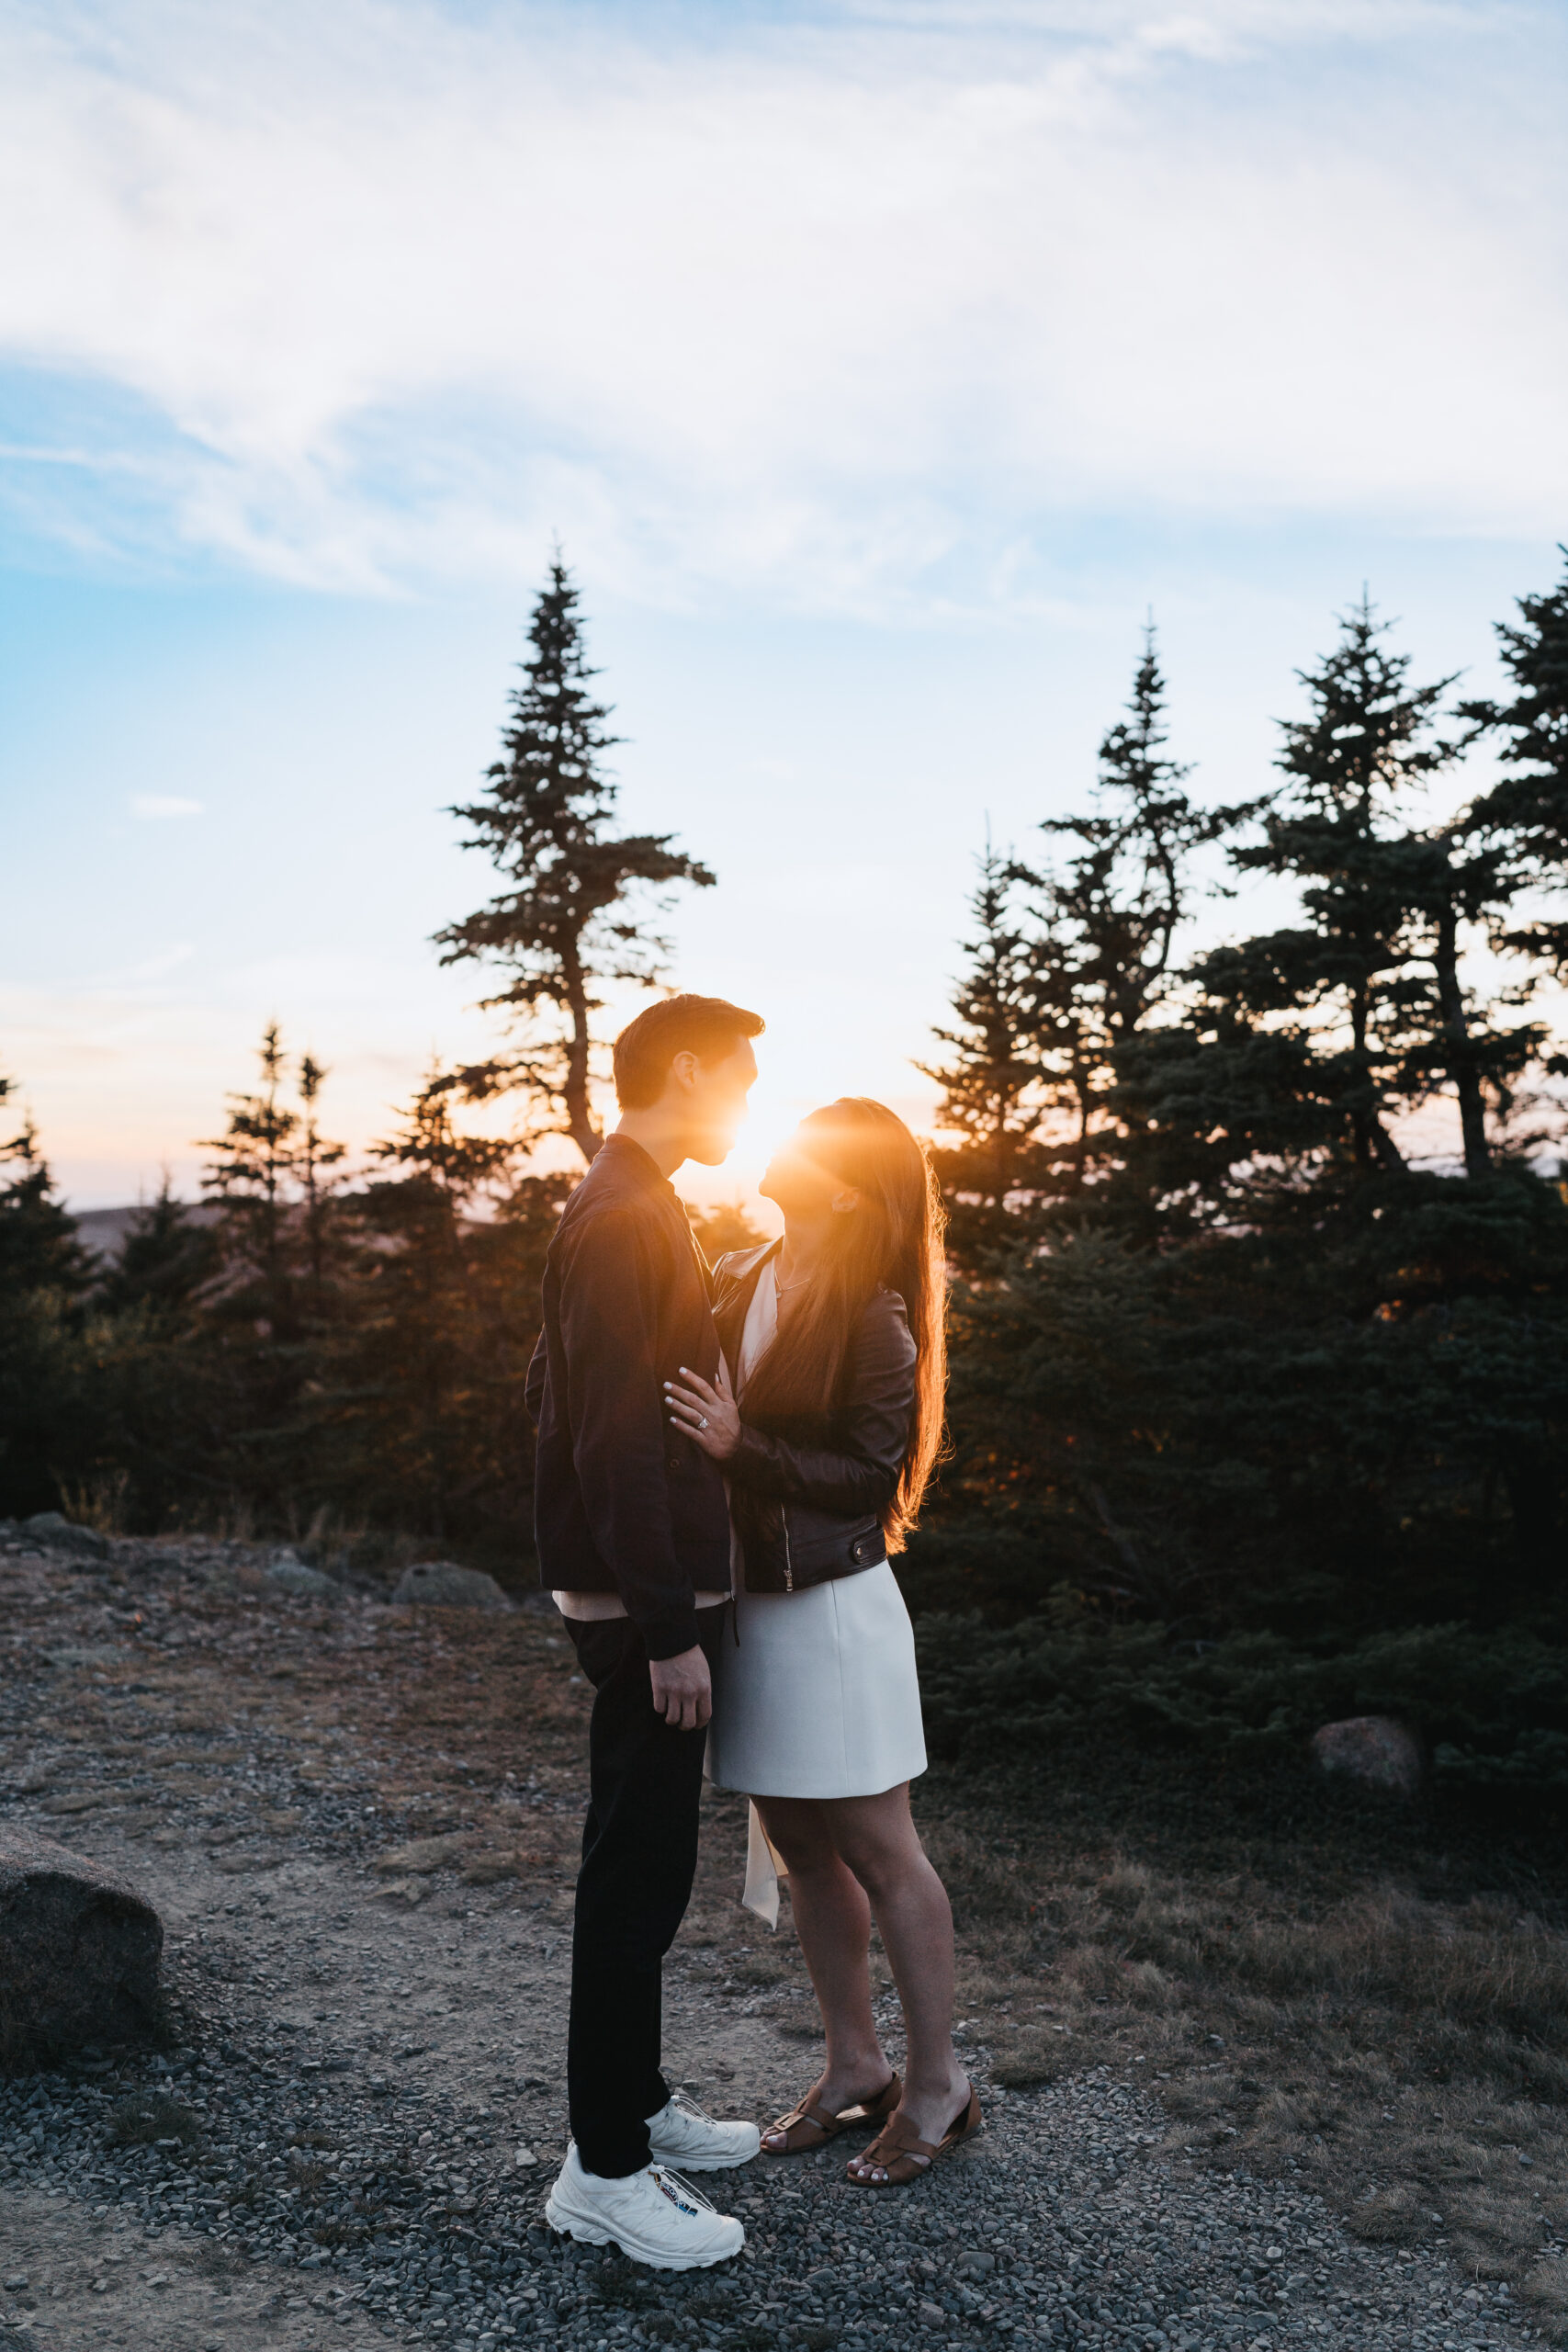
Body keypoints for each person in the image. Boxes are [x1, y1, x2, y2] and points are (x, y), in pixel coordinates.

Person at [665, 1098, 979, 2191]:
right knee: (801, 1851)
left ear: (846, 1186)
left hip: (834, 1614)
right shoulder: (750, 1270)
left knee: (882, 1849)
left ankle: (940, 2085)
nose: (777, 1148)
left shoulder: (874, 1312)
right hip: (756, 1605)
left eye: (807, 1145)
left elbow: (870, 1477)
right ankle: (856, 2063)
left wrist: (742, 1446)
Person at [532, 993, 766, 2268]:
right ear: (684, 1070)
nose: (746, 1101)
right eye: (737, 1077)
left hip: (643, 1592)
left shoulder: (633, 1199)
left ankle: (632, 2109)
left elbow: (572, 1391)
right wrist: (668, 1624)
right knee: (634, 1877)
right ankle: (603, 2174)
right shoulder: (623, 1215)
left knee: (649, 1869)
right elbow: (606, 1437)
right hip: (645, 1608)